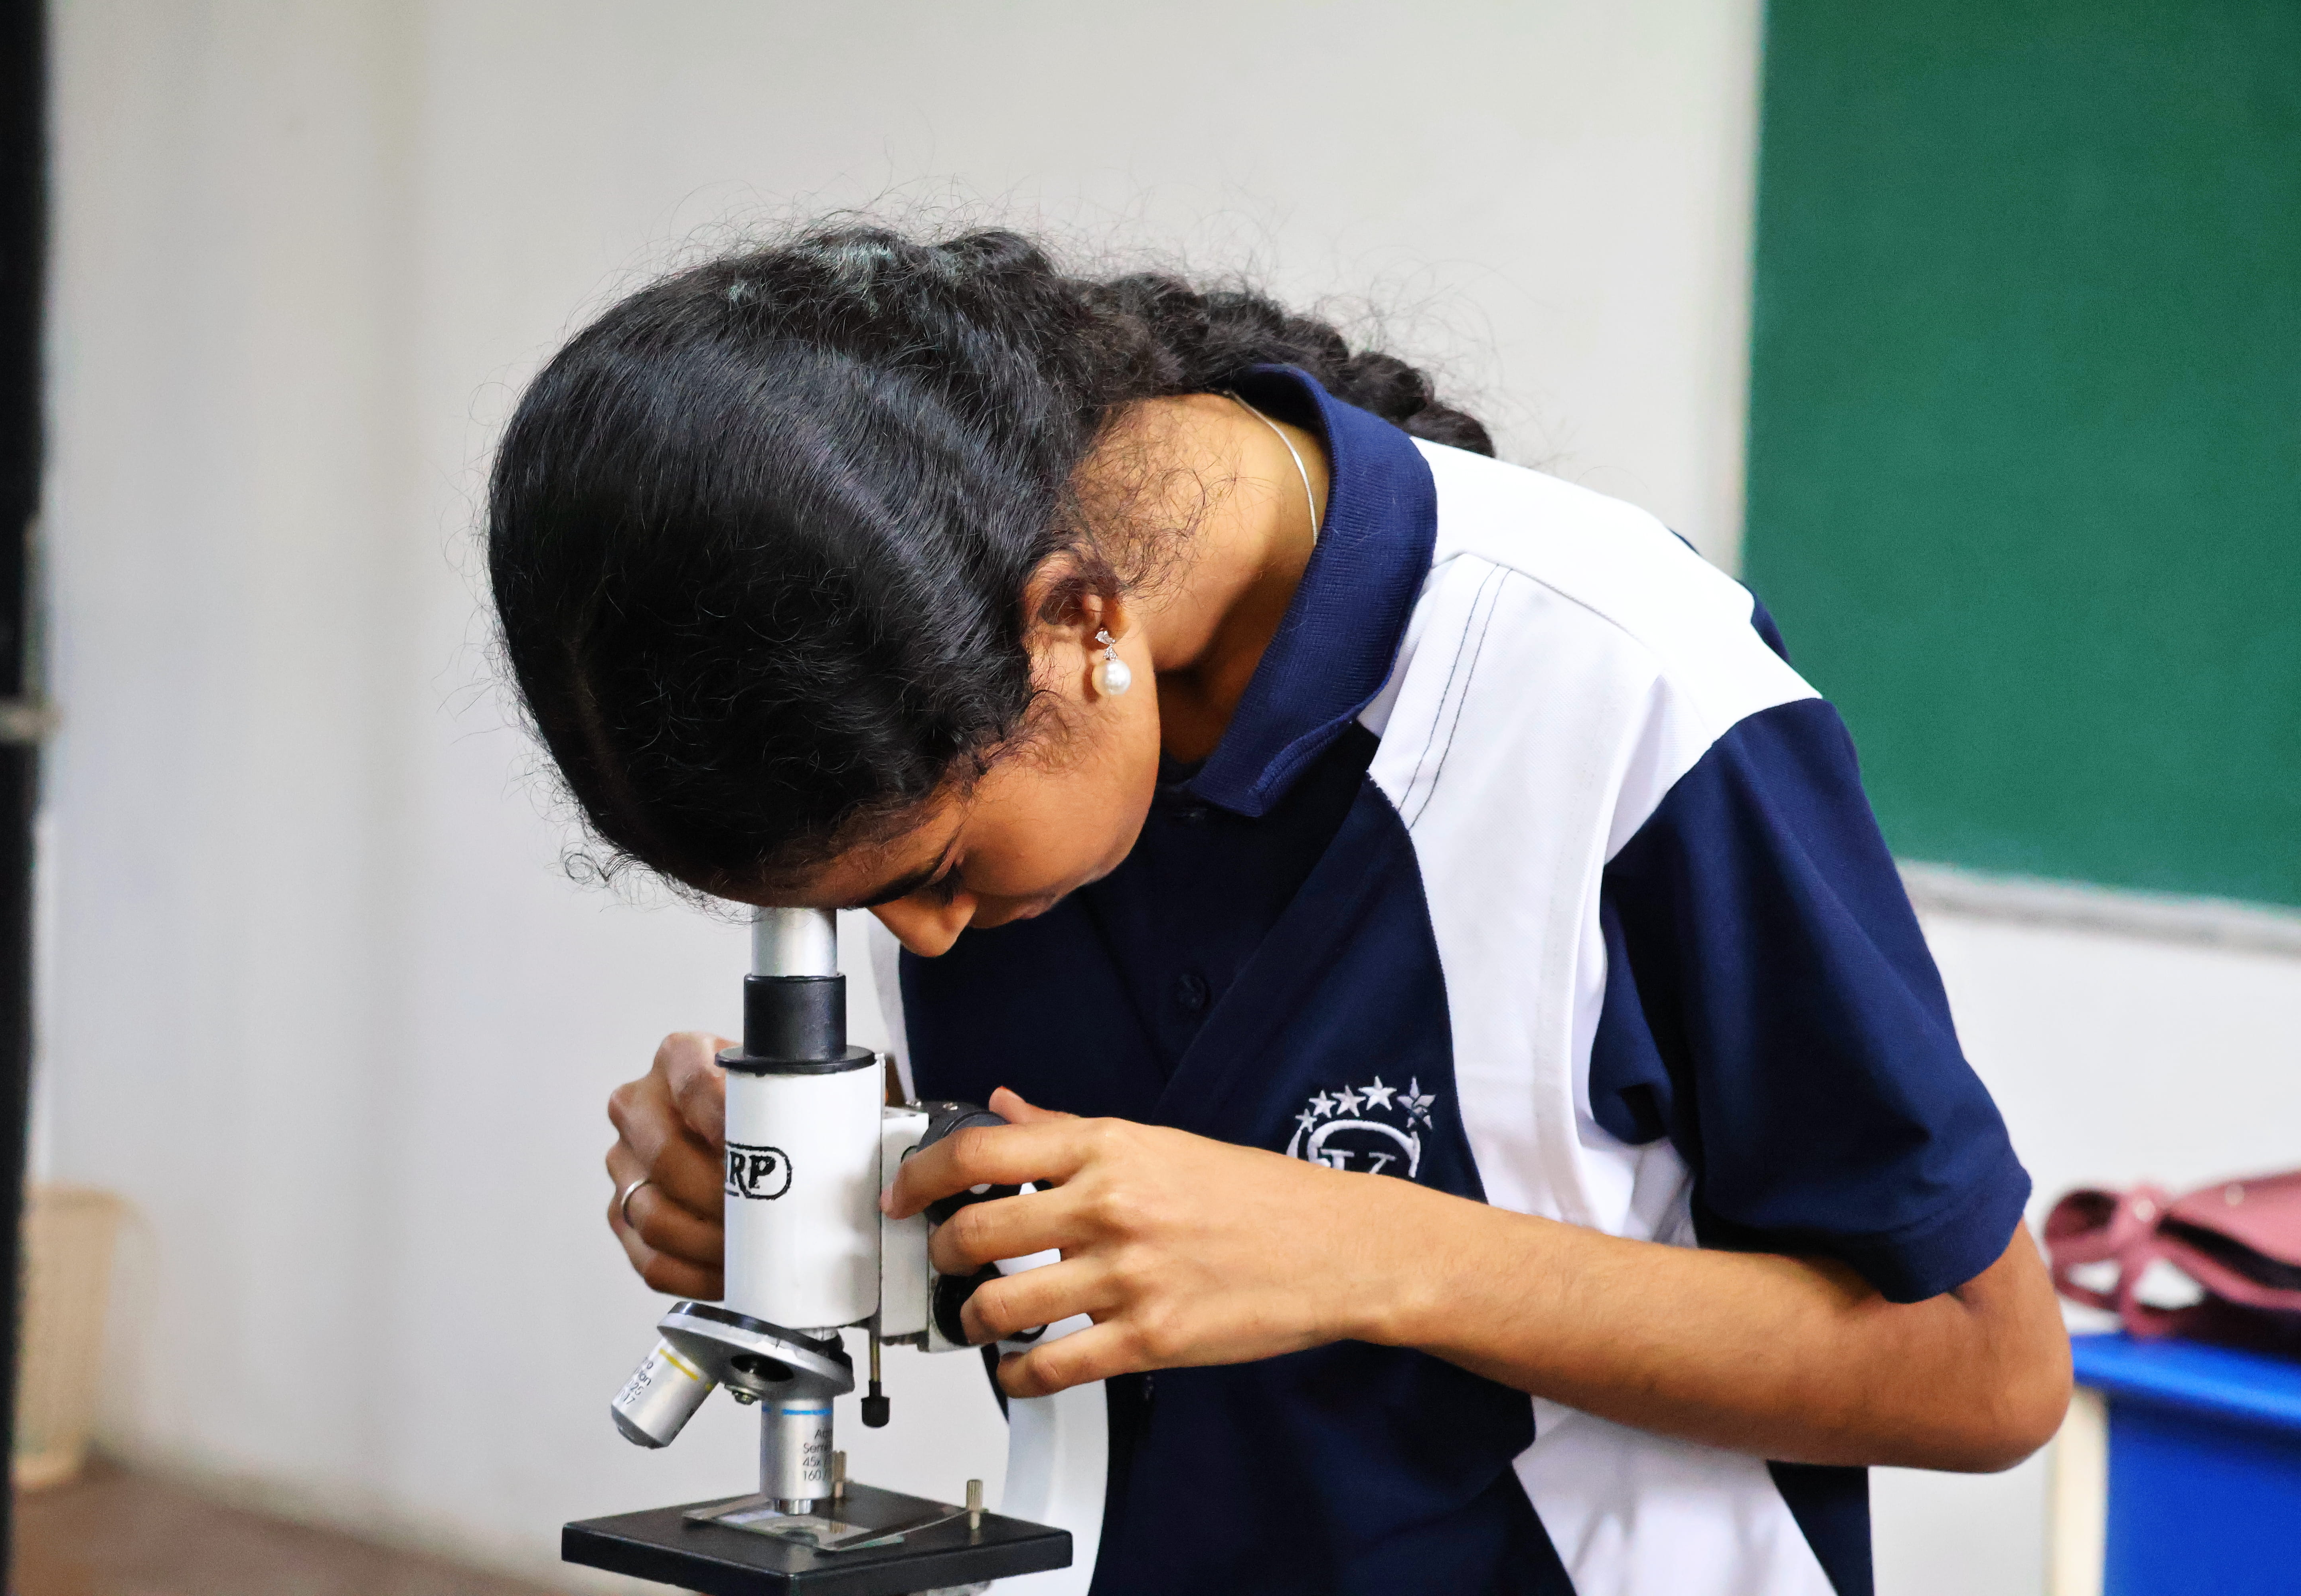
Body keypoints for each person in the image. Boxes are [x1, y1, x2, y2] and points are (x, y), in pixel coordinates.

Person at [486, 226, 2069, 1596]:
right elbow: (1130, 1257)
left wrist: (1362, 1248)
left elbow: (1987, 1372)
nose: (928, 943)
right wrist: (831, 1196)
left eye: (934, 869)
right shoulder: (975, 688)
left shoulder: (1626, 685)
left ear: (1076, 628)